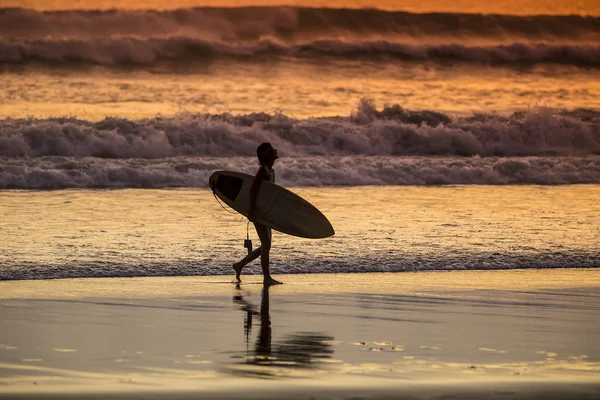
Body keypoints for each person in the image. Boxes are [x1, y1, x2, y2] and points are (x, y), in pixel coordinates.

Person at [233, 142, 282, 285]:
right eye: (272, 149)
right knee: (266, 244)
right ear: (267, 155)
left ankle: (239, 265)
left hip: (266, 211)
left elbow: (269, 193)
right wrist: (252, 211)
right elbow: (253, 190)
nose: (275, 150)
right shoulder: (263, 170)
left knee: (266, 245)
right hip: (258, 211)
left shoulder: (271, 171)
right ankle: (266, 278)